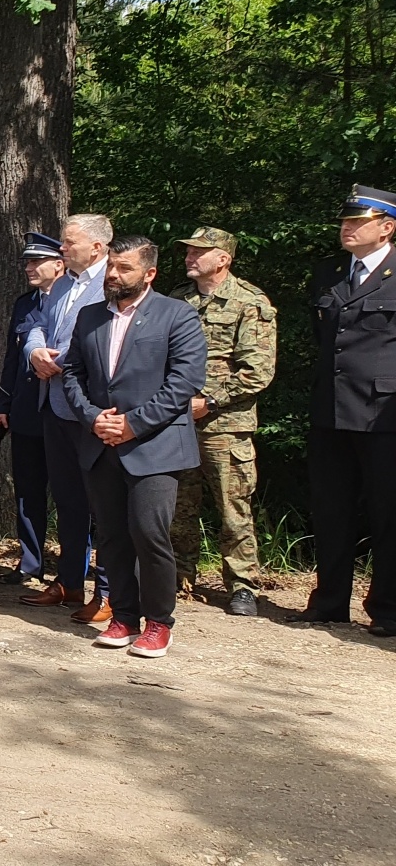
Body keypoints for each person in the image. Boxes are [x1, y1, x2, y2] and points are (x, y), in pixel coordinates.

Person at [61, 234, 206, 658]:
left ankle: (159, 622)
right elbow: (72, 373)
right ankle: (124, 615)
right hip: (101, 442)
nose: (113, 275)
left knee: (148, 532)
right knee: (110, 535)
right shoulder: (90, 317)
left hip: (155, 446)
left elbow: (184, 381)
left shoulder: (176, 315)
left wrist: (133, 424)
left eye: (124, 268)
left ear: (150, 273)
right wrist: (92, 418)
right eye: (110, 266)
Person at [298, 184, 396, 634]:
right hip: (330, 409)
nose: (347, 229)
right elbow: (325, 340)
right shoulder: (330, 272)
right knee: (330, 508)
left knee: (387, 511)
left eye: (358, 222)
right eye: (345, 222)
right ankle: (329, 601)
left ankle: (388, 608)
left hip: (384, 414)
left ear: (387, 227)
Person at [168, 226, 276, 617]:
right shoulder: (176, 300)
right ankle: (179, 576)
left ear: (223, 259)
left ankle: (242, 585)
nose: (189, 257)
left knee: (233, 507)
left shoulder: (250, 302)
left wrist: (211, 400)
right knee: (179, 504)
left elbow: (258, 370)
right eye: (188, 251)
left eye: (199, 252)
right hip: (177, 419)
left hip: (226, 425)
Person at [21, 212, 114, 624]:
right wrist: (36, 352)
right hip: (53, 402)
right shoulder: (62, 286)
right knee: (68, 499)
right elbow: (38, 326)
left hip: (92, 408)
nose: (62, 248)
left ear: (97, 246)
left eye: (69, 241)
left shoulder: (114, 281)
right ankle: (70, 581)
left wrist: (69, 362)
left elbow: (113, 336)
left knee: (104, 503)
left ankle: (109, 592)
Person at [0, 232, 66, 584]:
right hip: (25, 409)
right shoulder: (25, 303)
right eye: (27, 261)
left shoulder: (77, 299)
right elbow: (11, 357)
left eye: (37, 261)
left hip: (65, 410)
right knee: (28, 490)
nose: (29, 267)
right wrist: (3, 403)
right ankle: (31, 563)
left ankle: (71, 569)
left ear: (59, 263)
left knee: (71, 493)